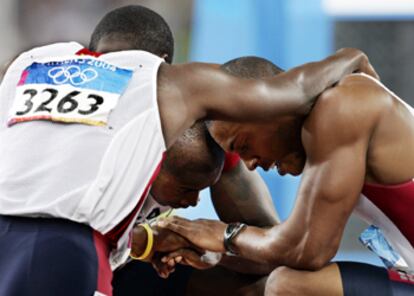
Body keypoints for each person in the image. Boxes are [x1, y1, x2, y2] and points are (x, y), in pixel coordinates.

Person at [0, 4, 377, 296]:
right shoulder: (165, 86)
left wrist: (175, 242)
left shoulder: (28, 64)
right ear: (164, 62)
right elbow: (287, 92)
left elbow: (266, 246)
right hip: (66, 245)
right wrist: (347, 59)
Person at [158, 57, 414, 295]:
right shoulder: (334, 114)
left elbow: (308, 250)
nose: (250, 165)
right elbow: (289, 245)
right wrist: (218, 249)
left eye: (243, 145)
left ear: (269, 109)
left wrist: (224, 236)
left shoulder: (340, 109)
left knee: (290, 286)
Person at [113, 122, 279, 296]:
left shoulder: (212, 151)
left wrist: (215, 249)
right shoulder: (110, 151)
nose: (195, 201)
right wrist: (148, 241)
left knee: (276, 286)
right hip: (93, 258)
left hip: (135, 268)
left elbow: (274, 254)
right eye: (186, 189)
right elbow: (84, 236)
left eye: (201, 189)